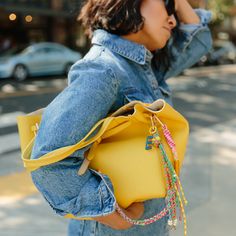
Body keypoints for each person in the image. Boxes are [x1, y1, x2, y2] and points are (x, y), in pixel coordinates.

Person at [30, 0, 212, 235]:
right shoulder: (103, 69)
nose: (173, 19)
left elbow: (198, 41)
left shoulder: (145, 68)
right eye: (165, 7)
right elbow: (48, 162)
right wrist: (115, 216)